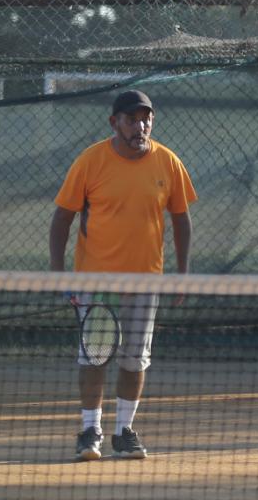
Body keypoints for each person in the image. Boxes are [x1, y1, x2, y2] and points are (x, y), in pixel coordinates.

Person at [50, 89, 197, 461]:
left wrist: (182, 273)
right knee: (94, 358)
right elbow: (62, 218)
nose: (140, 125)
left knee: (135, 360)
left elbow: (181, 219)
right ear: (114, 122)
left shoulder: (168, 163)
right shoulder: (90, 161)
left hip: (145, 281)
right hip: (95, 282)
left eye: (146, 118)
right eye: (132, 119)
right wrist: (58, 275)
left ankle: (124, 431)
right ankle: (90, 431)